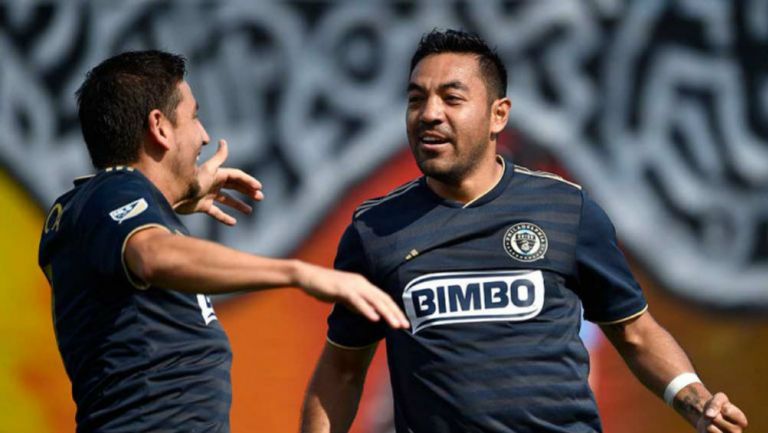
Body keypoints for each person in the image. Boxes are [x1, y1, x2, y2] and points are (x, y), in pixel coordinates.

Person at [300, 30, 748, 433]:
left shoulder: (567, 210)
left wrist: (695, 401)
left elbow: (635, 333)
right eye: (416, 99)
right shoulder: (375, 229)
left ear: (499, 115)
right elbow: (342, 368)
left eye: (451, 98)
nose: (429, 113)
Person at [37, 50, 408, 433]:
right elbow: (150, 254)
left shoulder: (93, 207)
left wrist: (173, 196)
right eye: (194, 116)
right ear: (160, 127)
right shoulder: (113, 195)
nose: (204, 136)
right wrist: (298, 273)